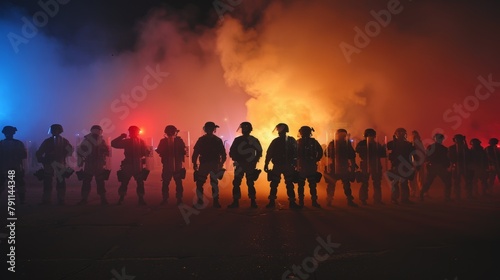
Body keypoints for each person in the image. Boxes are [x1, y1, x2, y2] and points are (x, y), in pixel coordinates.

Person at [264, 123, 300, 209]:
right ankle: (292, 202)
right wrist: (296, 165)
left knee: (274, 183)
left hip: (279, 166)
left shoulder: (276, 141)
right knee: (289, 184)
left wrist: (266, 164)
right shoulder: (291, 140)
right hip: (288, 166)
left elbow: (269, 153)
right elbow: (297, 153)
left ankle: (272, 202)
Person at [36, 124, 74, 205]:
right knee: (50, 182)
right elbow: (40, 152)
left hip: (56, 163)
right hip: (55, 163)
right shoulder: (63, 141)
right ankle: (53, 199)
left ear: (58, 130)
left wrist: (42, 159)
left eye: (54, 130)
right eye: (52, 130)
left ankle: (57, 199)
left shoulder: (54, 141)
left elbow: (40, 152)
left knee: (55, 182)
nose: (53, 132)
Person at [111, 126, 150, 205]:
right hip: (129, 164)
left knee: (139, 183)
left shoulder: (140, 141)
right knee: (125, 182)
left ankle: (140, 198)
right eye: (132, 131)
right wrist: (121, 137)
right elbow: (113, 144)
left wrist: (146, 153)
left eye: (134, 131)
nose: (133, 132)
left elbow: (146, 152)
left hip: (137, 164)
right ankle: (122, 198)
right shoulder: (128, 141)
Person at [228, 122, 262, 208]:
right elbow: (259, 152)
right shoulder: (253, 139)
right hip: (249, 165)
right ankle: (253, 202)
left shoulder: (238, 140)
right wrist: (254, 161)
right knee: (250, 183)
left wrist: (235, 159)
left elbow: (232, 152)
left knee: (237, 183)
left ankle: (236, 202)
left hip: (240, 165)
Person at [192, 122, 227, 208]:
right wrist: (221, 164)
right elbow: (223, 154)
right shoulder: (217, 140)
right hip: (213, 164)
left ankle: (200, 201)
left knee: (200, 183)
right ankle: (215, 202)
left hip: (205, 164)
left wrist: (194, 163)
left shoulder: (201, 140)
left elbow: (195, 153)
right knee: (214, 183)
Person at [76, 125, 110, 205]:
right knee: (91, 182)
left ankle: (100, 199)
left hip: (95, 164)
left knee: (94, 182)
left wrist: (80, 161)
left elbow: (107, 152)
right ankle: (101, 199)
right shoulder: (93, 140)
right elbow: (80, 151)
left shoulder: (99, 141)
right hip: (92, 163)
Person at [325, 129, 358, 207]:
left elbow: (352, 155)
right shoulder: (335, 143)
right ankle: (331, 199)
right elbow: (327, 154)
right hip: (338, 166)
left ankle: (332, 200)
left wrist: (353, 166)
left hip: (341, 166)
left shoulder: (338, 143)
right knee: (334, 184)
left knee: (342, 184)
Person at [156, 125, 187, 205]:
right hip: (168, 165)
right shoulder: (164, 141)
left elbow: (184, 150)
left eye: (171, 131)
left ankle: (178, 199)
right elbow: (159, 150)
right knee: (167, 183)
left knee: (177, 183)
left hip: (176, 165)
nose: (170, 133)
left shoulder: (178, 140)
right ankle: (167, 199)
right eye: (169, 131)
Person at [355, 128, 386, 205]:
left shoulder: (376, 144)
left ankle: (377, 199)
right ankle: (363, 199)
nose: (372, 137)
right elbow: (357, 150)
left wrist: (382, 148)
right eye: (370, 135)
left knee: (377, 183)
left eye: (372, 135)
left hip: (375, 164)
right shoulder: (362, 143)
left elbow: (382, 154)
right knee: (365, 182)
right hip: (366, 164)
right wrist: (367, 148)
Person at [419, 133, 452, 201]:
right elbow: (427, 157)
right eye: (438, 138)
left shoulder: (441, 148)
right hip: (435, 167)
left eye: (440, 138)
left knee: (429, 182)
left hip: (437, 167)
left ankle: (421, 194)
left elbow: (446, 158)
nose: (439, 139)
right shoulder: (441, 148)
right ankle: (421, 194)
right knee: (429, 182)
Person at [386, 128, 415, 204]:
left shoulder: (408, 144)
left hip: (404, 165)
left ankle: (404, 199)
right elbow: (387, 148)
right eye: (400, 133)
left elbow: (413, 154)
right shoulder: (392, 143)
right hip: (396, 165)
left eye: (402, 133)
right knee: (396, 183)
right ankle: (395, 198)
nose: (401, 134)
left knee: (403, 183)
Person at [296, 126, 323, 208]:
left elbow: (294, 153)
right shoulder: (314, 142)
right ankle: (314, 201)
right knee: (312, 185)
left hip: (302, 166)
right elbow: (320, 152)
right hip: (310, 166)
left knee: (301, 185)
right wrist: (316, 159)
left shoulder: (298, 142)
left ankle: (301, 202)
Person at [0, 126, 27, 204]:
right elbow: (24, 155)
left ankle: (22, 200)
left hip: (12, 167)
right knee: (20, 184)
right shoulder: (18, 143)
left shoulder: (2, 143)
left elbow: (23, 156)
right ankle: (22, 200)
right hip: (9, 167)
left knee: (20, 184)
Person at [448, 134, 472, 200]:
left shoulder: (465, 147)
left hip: (465, 166)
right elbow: (450, 157)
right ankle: (457, 195)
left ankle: (468, 194)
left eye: (459, 139)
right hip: (456, 166)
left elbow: (469, 156)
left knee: (467, 181)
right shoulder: (452, 148)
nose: (458, 140)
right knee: (456, 182)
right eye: (457, 139)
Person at [410, 130, 426, 198]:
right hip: (413, 163)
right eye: (414, 136)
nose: (415, 137)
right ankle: (413, 192)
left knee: (421, 177)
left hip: (420, 162)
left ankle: (421, 191)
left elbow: (423, 153)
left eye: (416, 135)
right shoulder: (411, 144)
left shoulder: (420, 144)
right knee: (413, 178)